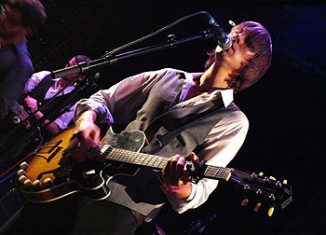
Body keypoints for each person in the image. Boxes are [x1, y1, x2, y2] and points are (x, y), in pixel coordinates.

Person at [0, 20, 272, 235]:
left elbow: (199, 193)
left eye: (246, 41)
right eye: (236, 30)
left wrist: (178, 185)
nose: (234, 36)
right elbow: (103, 98)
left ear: (252, 66)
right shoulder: (168, 77)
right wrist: (85, 122)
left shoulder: (233, 122)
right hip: (73, 174)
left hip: (118, 209)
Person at [0, 0, 47, 120]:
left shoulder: (21, 65)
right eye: (5, 12)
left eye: (12, 21)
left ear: (28, 31)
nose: (3, 20)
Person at [23, 55, 91, 137]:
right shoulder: (46, 75)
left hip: (30, 135)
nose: (66, 69)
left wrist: (36, 111)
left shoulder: (73, 103)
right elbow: (20, 89)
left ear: (81, 77)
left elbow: (56, 130)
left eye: (71, 69)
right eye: (68, 65)